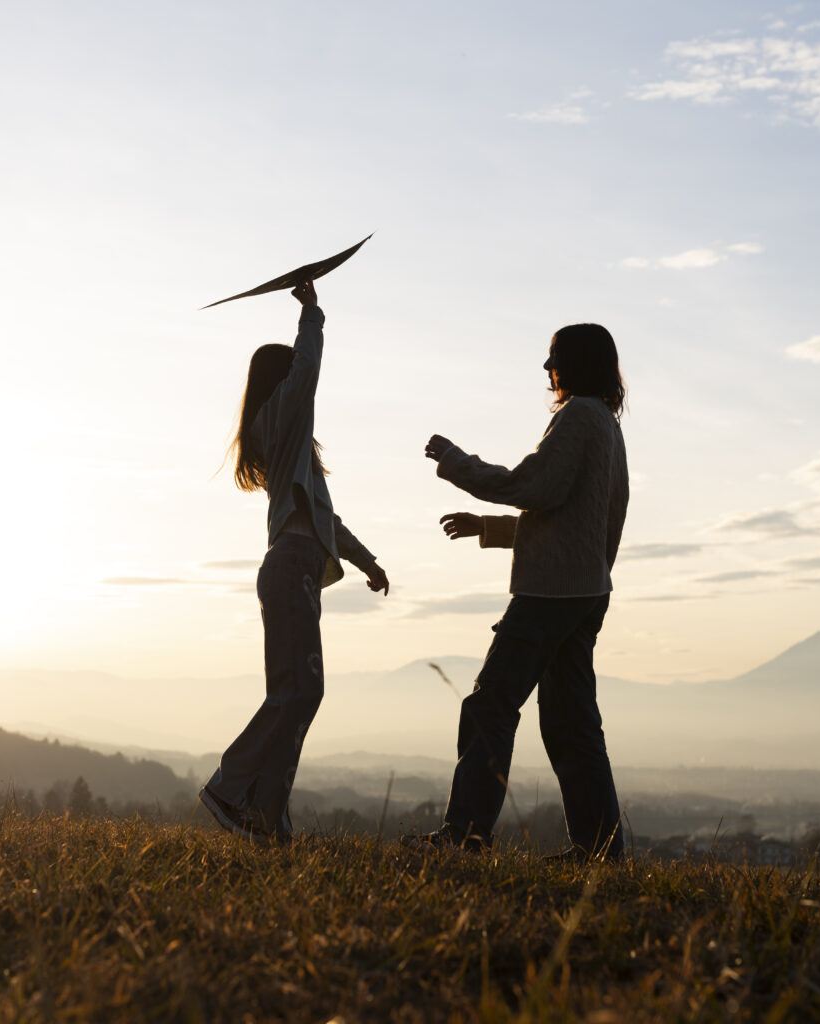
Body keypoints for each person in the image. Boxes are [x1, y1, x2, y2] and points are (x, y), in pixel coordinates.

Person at [410, 322, 629, 861]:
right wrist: (488, 528)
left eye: (554, 356)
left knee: (491, 704)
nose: (546, 367)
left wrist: (454, 462)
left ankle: (465, 835)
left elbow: (531, 487)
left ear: (576, 363)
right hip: (585, 592)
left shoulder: (577, 416)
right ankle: (600, 851)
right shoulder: (606, 423)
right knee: (572, 725)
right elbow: (575, 523)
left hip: (549, 596)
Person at [200, 279, 390, 842]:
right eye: (291, 380)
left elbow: (327, 521)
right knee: (298, 693)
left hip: (296, 570)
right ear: (279, 382)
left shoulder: (292, 450)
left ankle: (268, 817)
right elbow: (306, 374)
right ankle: (231, 788)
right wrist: (311, 314)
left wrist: (366, 561)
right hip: (288, 570)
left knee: (299, 694)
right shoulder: (276, 421)